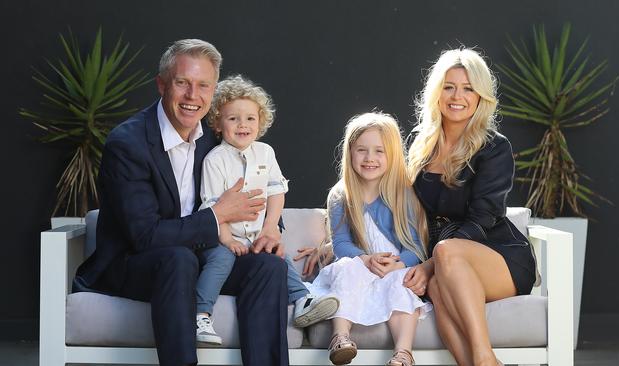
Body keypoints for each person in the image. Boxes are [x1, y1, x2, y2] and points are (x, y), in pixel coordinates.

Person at [72, 39, 289, 366]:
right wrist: (218, 215)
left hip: (204, 257)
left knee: (268, 266)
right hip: (137, 263)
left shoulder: (216, 140)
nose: (192, 96)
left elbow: (257, 190)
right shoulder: (128, 144)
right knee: (178, 258)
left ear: (213, 92)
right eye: (182, 83)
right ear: (162, 85)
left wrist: (271, 228)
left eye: (203, 86)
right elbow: (144, 236)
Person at [402, 48, 537, 366]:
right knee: (436, 286)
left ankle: (484, 358)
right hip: (447, 261)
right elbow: (395, 200)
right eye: (449, 86)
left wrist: (431, 262)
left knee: (446, 254)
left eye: (468, 88)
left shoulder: (494, 146)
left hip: (500, 256)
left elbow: (484, 216)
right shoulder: (419, 143)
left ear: (480, 96)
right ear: (437, 92)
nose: (457, 96)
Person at [195, 75, 339, 344]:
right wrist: (226, 238)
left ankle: (302, 300)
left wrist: (271, 228)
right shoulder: (215, 160)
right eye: (233, 118)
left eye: (250, 118)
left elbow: (276, 192)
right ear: (217, 122)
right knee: (220, 261)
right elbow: (212, 206)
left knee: (276, 256)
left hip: (257, 235)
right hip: (224, 238)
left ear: (260, 121)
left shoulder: (265, 153)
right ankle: (201, 314)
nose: (242, 125)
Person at [308, 112, 430, 366]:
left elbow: (416, 245)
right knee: (346, 269)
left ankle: (403, 353)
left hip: (392, 267)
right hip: (362, 266)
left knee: (402, 285)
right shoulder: (341, 195)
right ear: (350, 153)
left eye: (379, 151)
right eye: (361, 150)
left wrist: (399, 264)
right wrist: (364, 259)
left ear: (393, 154)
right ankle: (340, 338)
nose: (369, 158)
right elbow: (341, 245)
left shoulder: (403, 193)